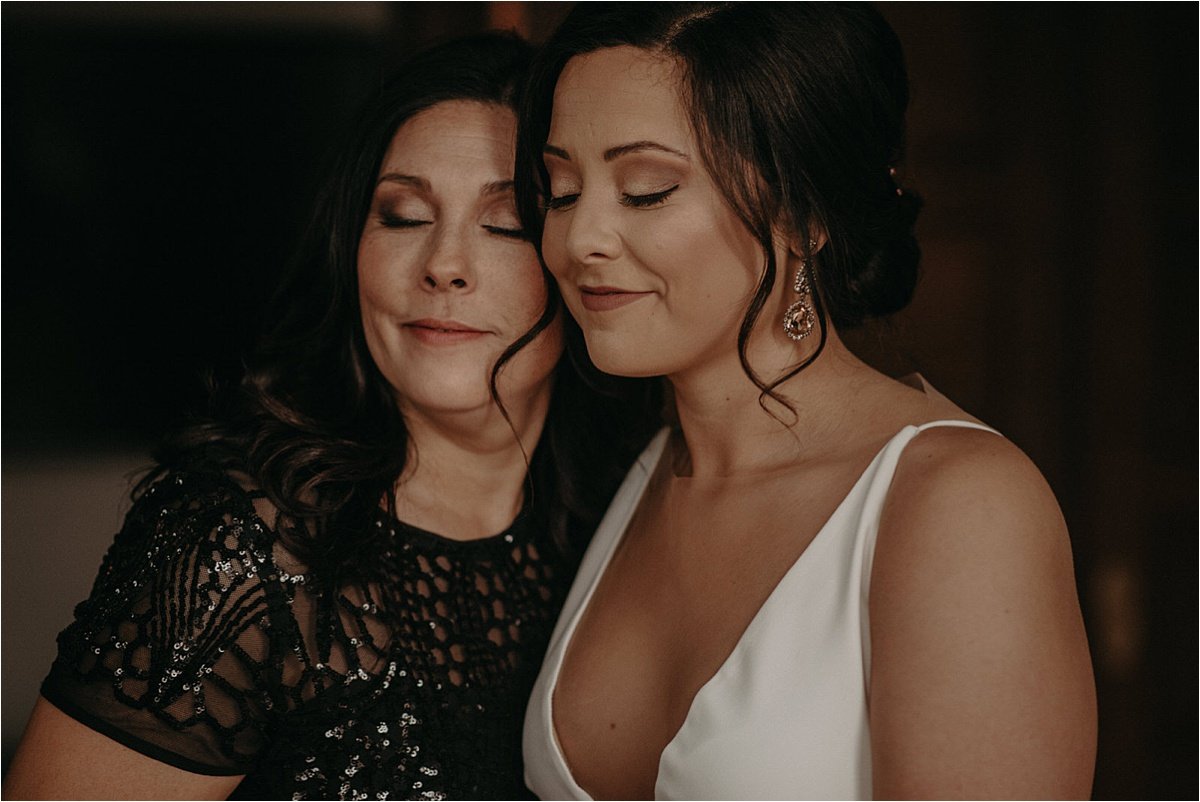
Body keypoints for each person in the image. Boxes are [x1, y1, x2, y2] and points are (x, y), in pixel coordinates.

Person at [3, 32, 657, 801]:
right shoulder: (240, 540)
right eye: (403, 215)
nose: (443, 264)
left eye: (506, 222)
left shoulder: (631, 512)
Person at [514, 4, 1097, 799]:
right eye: (562, 188)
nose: (580, 238)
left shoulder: (959, 504)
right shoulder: (635, 467)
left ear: (804, 209)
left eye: (646, 190)